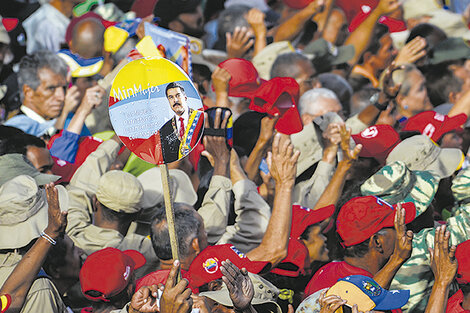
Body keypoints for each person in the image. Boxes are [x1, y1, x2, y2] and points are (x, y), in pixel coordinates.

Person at [160, 82, 203, 163]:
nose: (175, 100)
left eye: (178, 95)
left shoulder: (201, 118)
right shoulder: (164, 129)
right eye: (171, 97)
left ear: (185, 98)